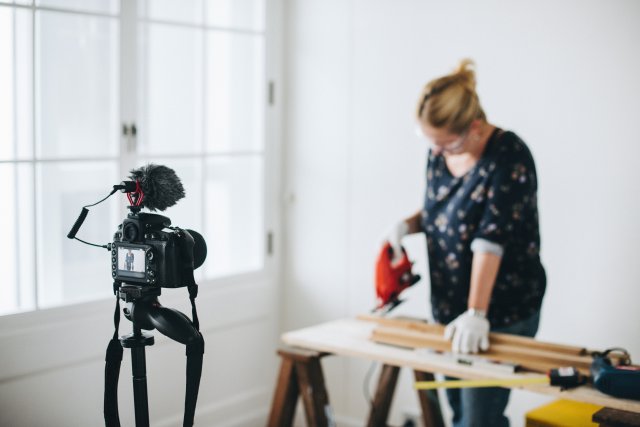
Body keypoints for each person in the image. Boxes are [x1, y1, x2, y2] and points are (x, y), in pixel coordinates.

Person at [384, 59, 546, 426]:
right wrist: (407, 225)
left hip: (500, 311)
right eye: (432, 144)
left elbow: (491, 240)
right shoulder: (441, 151)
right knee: (459, 412)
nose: (437, 153)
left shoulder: (509, 156)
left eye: (446, 144)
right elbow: (441, 210)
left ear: (474, 128)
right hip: (448, 307)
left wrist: (476, 313)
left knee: (478, 421)